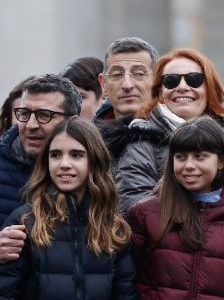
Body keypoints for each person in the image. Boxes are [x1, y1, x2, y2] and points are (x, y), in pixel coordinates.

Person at [0, 117, 136, 298]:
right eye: (55, 155)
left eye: (76, 155)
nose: (64, 164)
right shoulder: (25, 221)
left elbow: (125, 293)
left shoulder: (114, 227)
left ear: (94, 160)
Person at [128, 117, 224, 299]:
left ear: (221, 162)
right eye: (180, 157)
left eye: (200, 156)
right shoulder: (145, 213)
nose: (189, 166)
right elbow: (125, 281)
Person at [115, 48, 224, 213]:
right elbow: (134, 211)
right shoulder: (139, 140)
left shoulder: (222, 140)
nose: (182, 87)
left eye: (194, 79)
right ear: (160, 92)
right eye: (171, 80)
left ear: (209, 89)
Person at [0, 74, 81, 225]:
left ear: (72, 122)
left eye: (44, 115)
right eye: (24, 114)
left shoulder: (93, 170)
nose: (30, 125)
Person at [95, 36, 159, 120]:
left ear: (157, 81)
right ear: (104, 84)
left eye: (139, 74)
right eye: (117, 74)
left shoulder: (177, 131)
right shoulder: (87, 133)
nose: (127, 85)